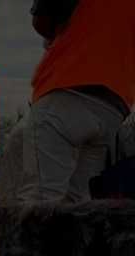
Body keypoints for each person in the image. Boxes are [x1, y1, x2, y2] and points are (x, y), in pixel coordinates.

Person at [17, 0, 134, 203]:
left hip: (67, 90)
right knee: (78, 201)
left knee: (40, 199)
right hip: (114, 105)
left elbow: (43, 20)